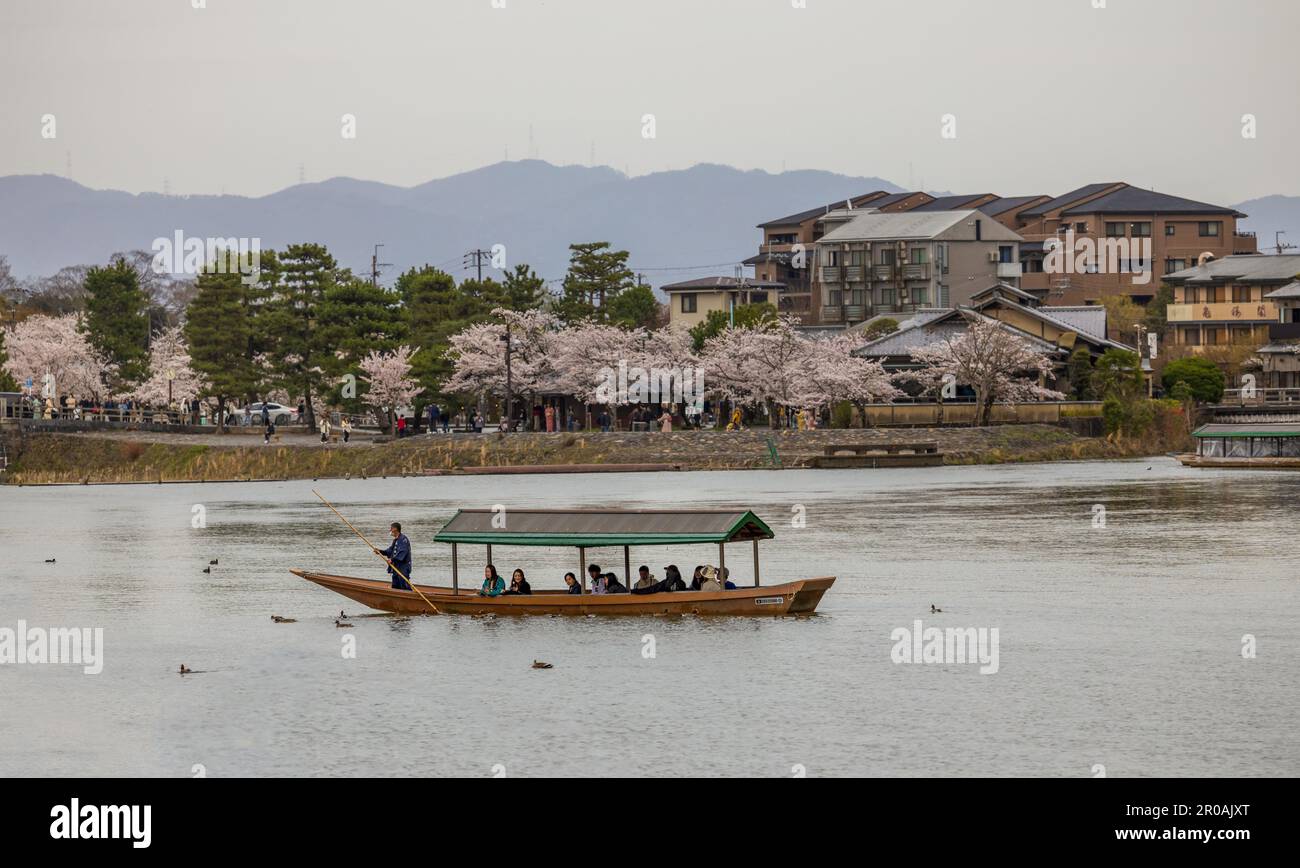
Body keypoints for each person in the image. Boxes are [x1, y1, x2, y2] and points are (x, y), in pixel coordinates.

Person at [374, 522, 412, 590]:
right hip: (395, 567)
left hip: (403, 567)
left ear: (395, 529)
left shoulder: (403, 539)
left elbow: (402, 553)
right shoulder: (396, 540)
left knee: (404, 585)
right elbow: (390, 551)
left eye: (391, 528)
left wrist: (392, 560)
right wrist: (380, 551)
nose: (390, 530)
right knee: (395, 585)